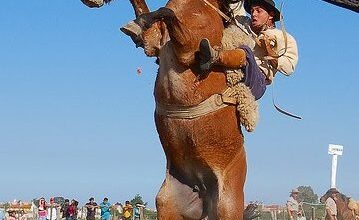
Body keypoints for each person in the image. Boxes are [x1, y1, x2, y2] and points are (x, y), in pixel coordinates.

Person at [199, 0, 298, 100]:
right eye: (252, 11)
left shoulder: (283, 37)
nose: (253, 14)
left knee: (245, 50)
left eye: (258, 11)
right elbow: (235, 6)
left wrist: (270, 51)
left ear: (271, 15)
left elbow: (289, 68)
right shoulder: (243, 22)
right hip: (229, 70)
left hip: (256, 81)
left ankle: (215, 57)